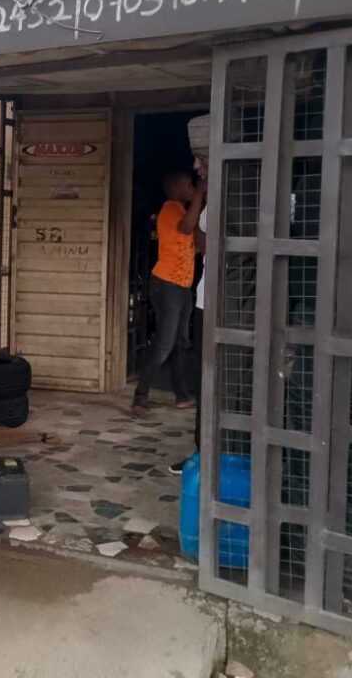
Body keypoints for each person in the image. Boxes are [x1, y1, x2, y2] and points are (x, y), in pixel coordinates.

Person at [133, 166, 208, 411]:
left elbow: (198, 243)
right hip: (167, 285)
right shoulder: (169, 209)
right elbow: (187, 227)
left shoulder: (185, 212)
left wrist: (202, 200)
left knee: (180, 343)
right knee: (166, 343)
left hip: (182, 286)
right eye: (188, 186)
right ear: (176, 190)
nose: (191, 189)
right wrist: (200, 194)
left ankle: (182, 396)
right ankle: (141, 394)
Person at [170, 114, 210, 475]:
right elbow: (198, 241)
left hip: (207, 299)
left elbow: (202, 243)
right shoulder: (176, 208)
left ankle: (209, 455)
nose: (196, 166)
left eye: (202, 158)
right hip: (188, 290)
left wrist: (201, 193)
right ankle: (203, 453)